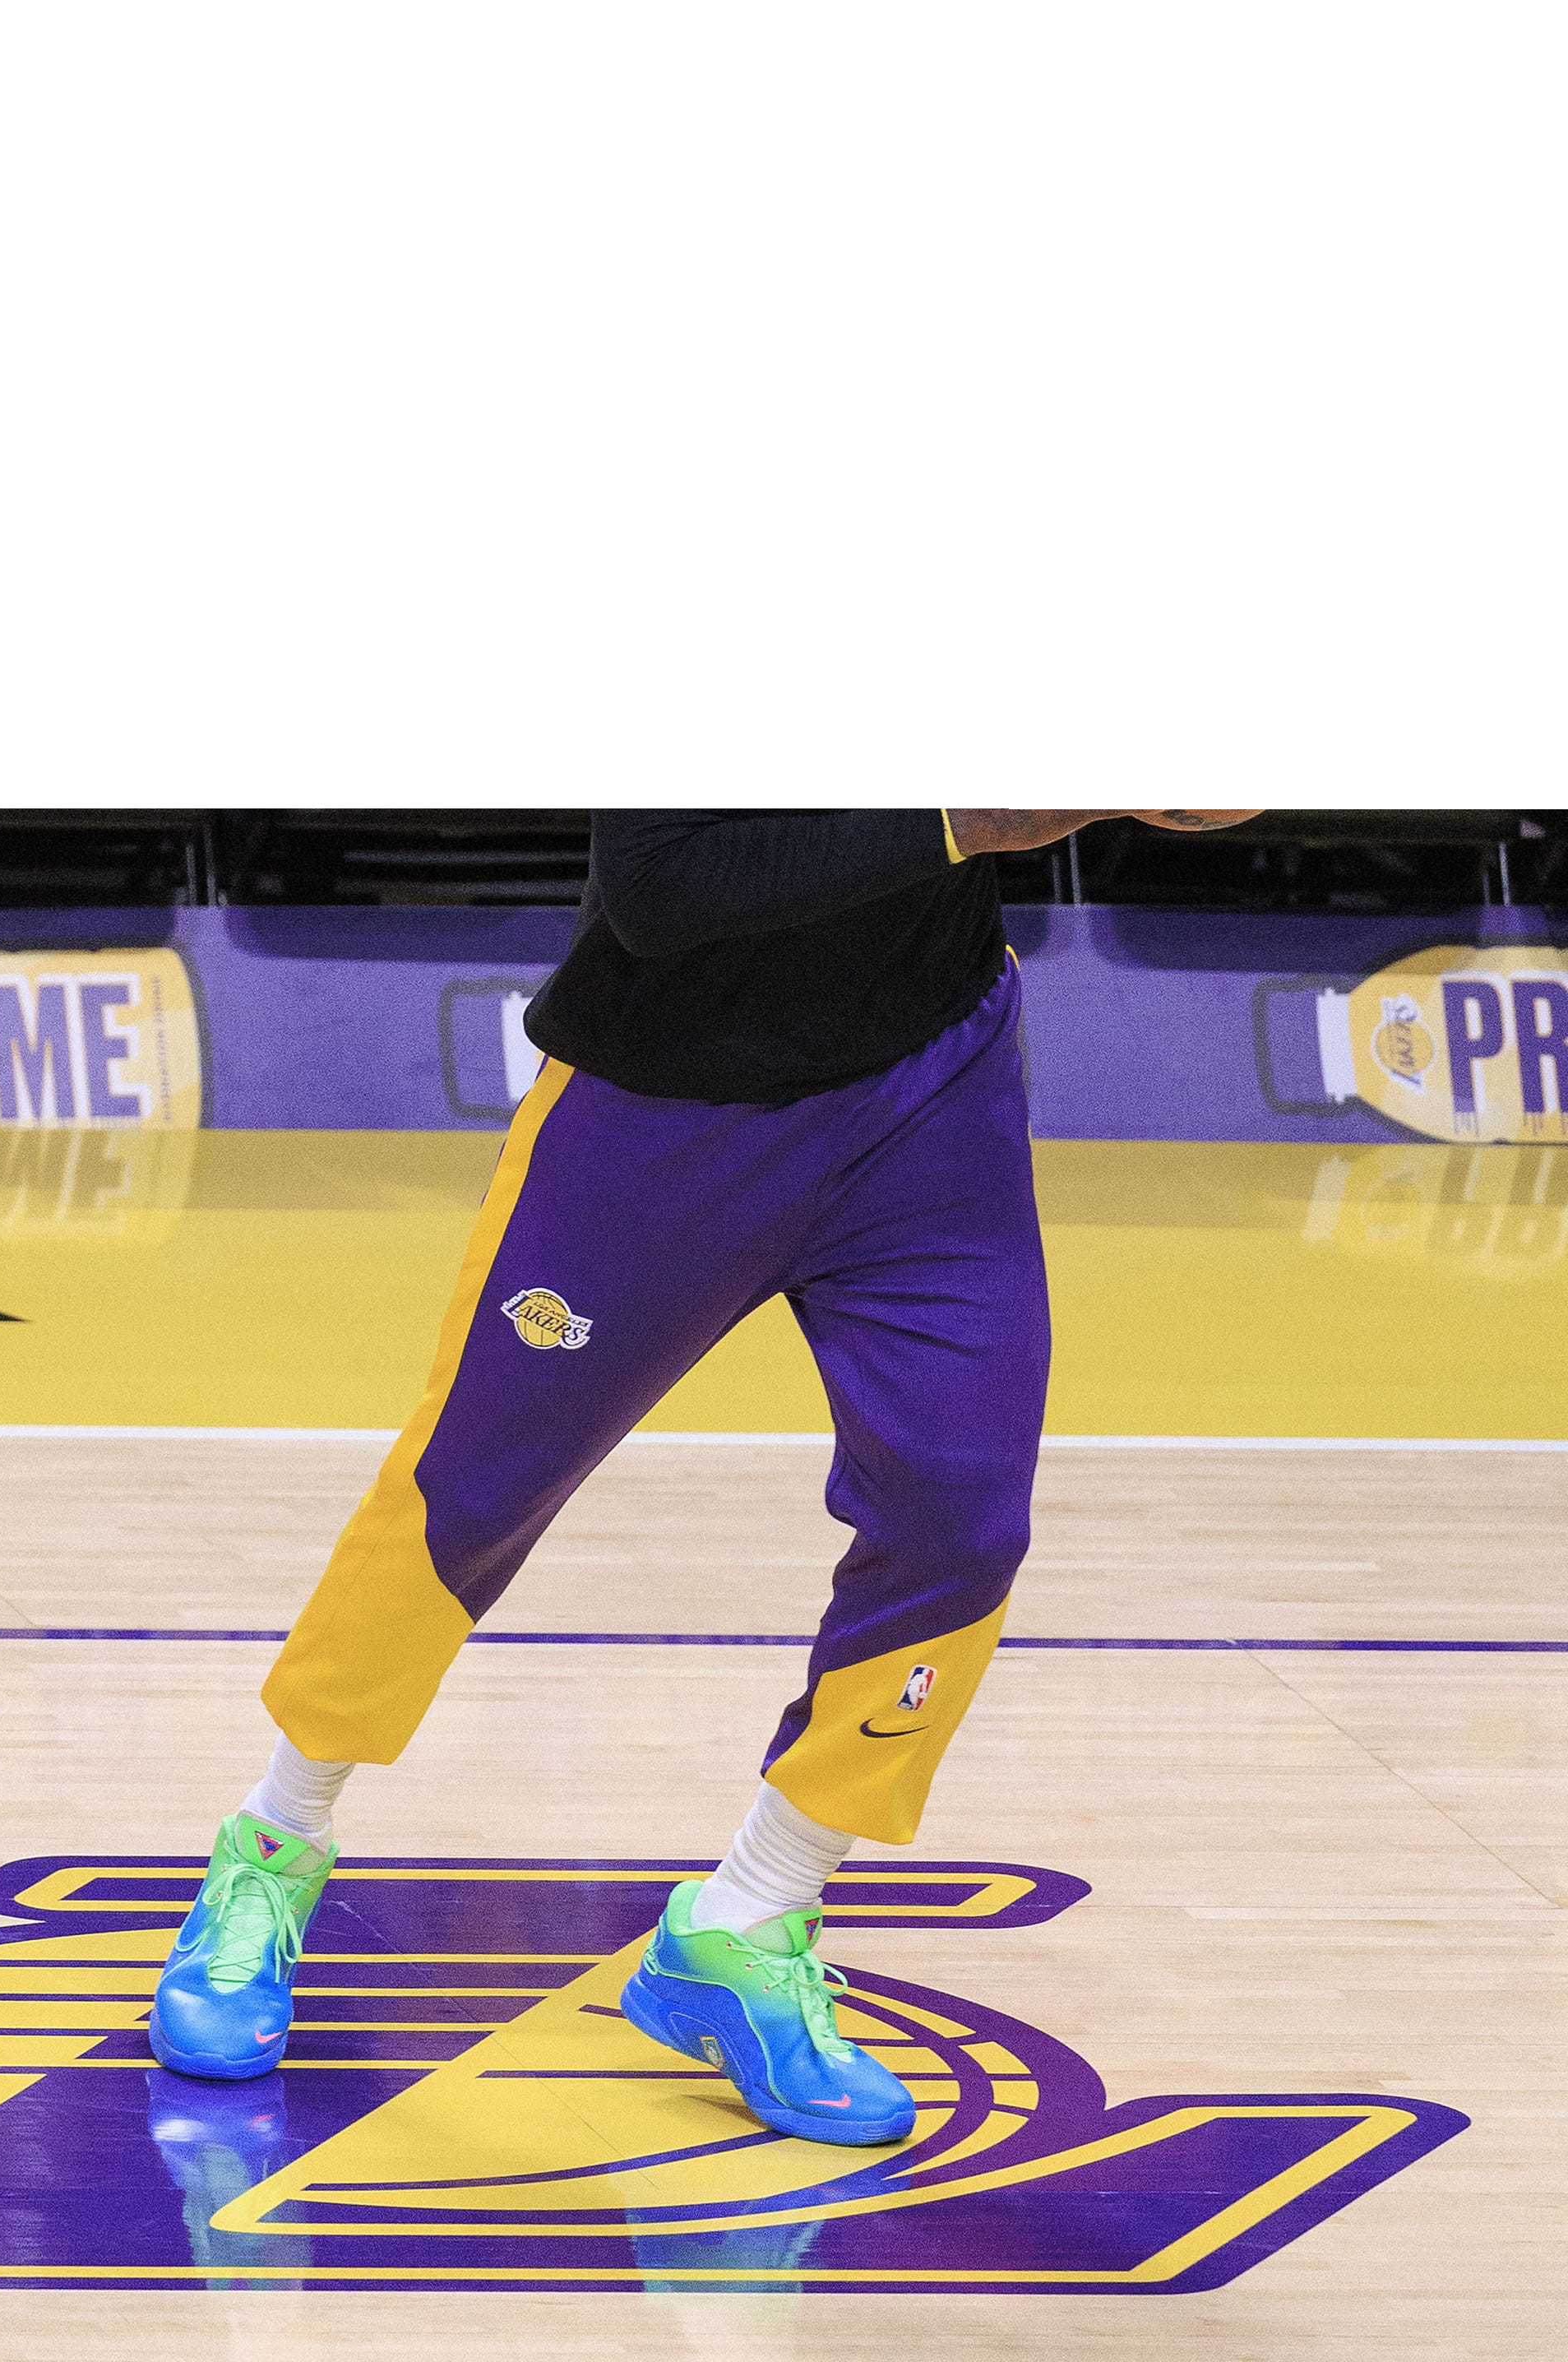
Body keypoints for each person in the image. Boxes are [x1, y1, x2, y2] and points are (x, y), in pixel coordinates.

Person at [149, 807, 1259, 2144]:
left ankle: (752, 1915)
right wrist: (983, 816)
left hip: (931, 1081)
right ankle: (275, 1841)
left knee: (961, 1518)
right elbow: (661, 888)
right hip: (657, 1109)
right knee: (472, 1493)